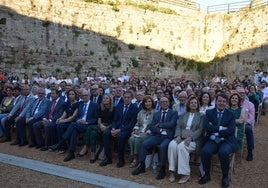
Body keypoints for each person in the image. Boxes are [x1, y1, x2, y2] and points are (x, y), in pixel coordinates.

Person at [132, 97, 177, 180]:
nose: (164, 103)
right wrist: (160, 129)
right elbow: (152, 127)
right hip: (157, 135)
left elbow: (171, 124)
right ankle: (142, 166)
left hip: (167, 137)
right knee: (144, 143)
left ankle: (162, 169)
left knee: (163, 147)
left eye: (166, 102)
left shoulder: (173, 113)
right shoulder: (157, 114)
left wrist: (159, 125)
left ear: (168, 103)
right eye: (162, 102)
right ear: (159, 104)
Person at [199, 93, 238, 188]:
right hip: (212, 140)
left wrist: (215, 130)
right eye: (219, 101)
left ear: (227, 103)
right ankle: (207, 174)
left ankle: (225, 176)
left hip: (226, 140)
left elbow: (231, 130)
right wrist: (221, 128)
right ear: (215, 101)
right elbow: (206, 127)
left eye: (224, 101)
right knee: (205, 151)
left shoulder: (231, 114)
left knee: (223, 152)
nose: (221, 103)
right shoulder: (209, 112)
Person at [48, 89, 99, 162]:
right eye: (83, 96)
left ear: (89, 96)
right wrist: (78, 120)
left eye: (86, 95)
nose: (84, 97)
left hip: (88, 125)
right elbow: (77, 115)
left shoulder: (94, 105)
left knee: (72, 125)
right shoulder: (80, 104)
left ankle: (60, 143)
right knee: (74, 130)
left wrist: (86, 122)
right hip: (79, 124)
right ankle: (71, 152)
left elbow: (95, 118)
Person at [168, 96, 204, 183]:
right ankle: (172, 171)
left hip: (194, 140)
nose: (193, 104)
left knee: (182, 146)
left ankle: (185, 173)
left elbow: (200, 129)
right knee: (172, 145)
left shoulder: (201, 116)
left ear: (198, 105)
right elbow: (179, 126)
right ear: (188, 104)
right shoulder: (184, 115)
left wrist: (191, 137)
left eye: (195, 103)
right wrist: (178, 136)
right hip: (182, 137)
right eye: (192, 102)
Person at [101, 90, 138, 168]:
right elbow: (115, 119)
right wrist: (113, 128)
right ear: (123, 97)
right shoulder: (119, 106)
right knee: (106, 133)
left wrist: (119, 130)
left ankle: (121, 159)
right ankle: (108, 158)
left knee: (120, 136)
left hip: (127, 129)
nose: (126, 99)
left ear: (131, 98)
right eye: (125, 97)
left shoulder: (135, 108)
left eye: (128, 97)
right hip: (116, 127)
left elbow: (132, 124)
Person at [78, 94, 115, 163]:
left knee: (90, 128)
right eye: (103, 98)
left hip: (109, 127)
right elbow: (99, 119)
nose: (104, 99)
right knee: (93, 133)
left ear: (110, 100)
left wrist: (106, 127)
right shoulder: (101, 107)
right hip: (101, 125)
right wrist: (101, 125)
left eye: (107, 98)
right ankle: (93, 153)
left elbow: (114, 121)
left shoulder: (114, 109)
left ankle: (86, 147)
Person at [128, 96, 156, 168]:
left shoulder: (155, 113)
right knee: (131, 138)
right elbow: (137, 123)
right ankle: (133, 155)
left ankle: (136, 159)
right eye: (146, 102)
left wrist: (146, 133)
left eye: (149, 102)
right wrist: (134, 130)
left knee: (137, 140)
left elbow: (154, 126)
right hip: (139, 131)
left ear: (152, 103)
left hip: (149, 133)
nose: (147, 103)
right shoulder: (141, 112)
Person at [236, 87, 255, 161]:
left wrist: (244, 123)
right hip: (233, 123)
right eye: (239, 93)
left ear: (245, 94)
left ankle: (250, 151)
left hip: (245, 124)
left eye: (243, 93)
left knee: (249, 129)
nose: (241, 94)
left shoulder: (250, 104)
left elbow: (251, 118)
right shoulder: (232, 102)